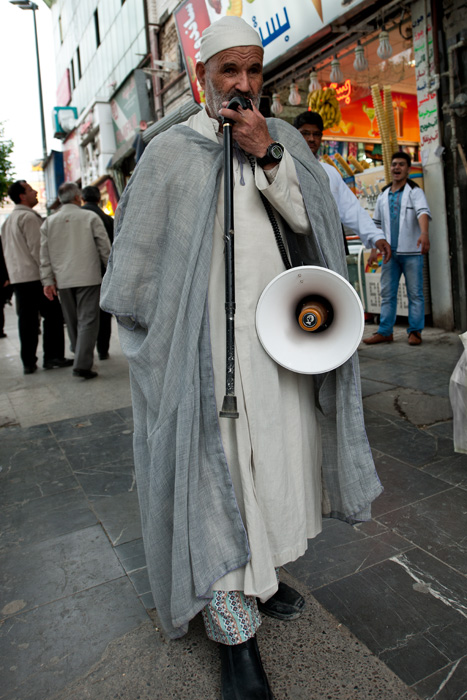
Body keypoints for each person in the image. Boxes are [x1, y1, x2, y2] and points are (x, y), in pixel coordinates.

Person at [101, 16, 382, 699]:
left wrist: (267, 156)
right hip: (202, 362)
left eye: (254, 71)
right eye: (229, 71)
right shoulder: (169, 153)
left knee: (274, 471)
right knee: (218, 474)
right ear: (202, 78)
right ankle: (233, 635)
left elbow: (313, 228)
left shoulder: (282, 141)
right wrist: (155, 345)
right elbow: (136, 269)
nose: (244, 84)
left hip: (277, 351)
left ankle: (260, 576)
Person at [293, 110, 391, 261]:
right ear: (295, 135)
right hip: (295, 251)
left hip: (328, 252)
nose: (311, 139)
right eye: (305, 133)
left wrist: (376, 236)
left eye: (316, 134)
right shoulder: (286, 169)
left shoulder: (329, 173)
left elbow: (351, 208)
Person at [40, 182, 111, 379]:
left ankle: (81, 357)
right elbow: (104, 248)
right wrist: (111, 271)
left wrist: (47, 280)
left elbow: (43, 254)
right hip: (88, 276)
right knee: (88, 320)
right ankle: (82, 364)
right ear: (76, 197)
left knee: (72, 322)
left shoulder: (49, 222)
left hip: (63, 279)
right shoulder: (89, 217)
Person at [0, 180, 72, 374]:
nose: (35, 193)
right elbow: (39, 250)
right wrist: (49, 278)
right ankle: (53, 356)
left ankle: (28, 361)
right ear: (22, 196)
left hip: (19, 278)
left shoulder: (8, 221)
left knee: (27, 321)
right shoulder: (29, 218)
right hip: (35, 278)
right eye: (31, 190)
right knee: (53, 316)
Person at [363, 151, 431, 346]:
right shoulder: (383, 194)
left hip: (411, 252)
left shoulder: (415, 191)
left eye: (401, 164)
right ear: (390, 168)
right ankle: (385, 331)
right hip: (388, 254)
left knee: (415, 293)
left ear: (408, 169)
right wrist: (374, 251)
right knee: (387, 293)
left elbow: (422, 213)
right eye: (394, 164)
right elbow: (376, 224)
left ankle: (415, 332)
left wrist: (424, 234)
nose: (397, 168)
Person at [81, 185, 114, 360]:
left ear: (82, 198)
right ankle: (103, 349)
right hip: (103, 272)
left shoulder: (77, 217)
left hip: (79, 273)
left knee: (82, 315)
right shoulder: (106, 218)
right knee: (103, 314)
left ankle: (82, 351)